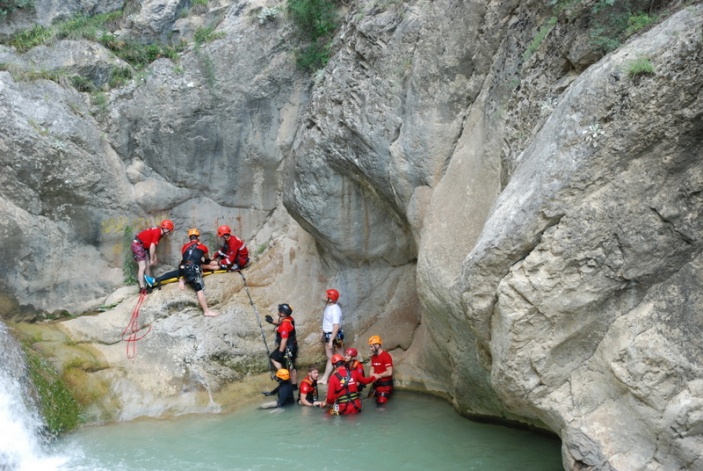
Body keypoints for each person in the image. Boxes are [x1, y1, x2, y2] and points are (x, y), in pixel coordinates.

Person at [148, 228, 219, 317]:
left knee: (176, 272)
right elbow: (207, 259)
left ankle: (157, 280)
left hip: (183, 267)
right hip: (192, 270)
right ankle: (206, 311)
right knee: (199, 289)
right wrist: (208, 262)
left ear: (189, 237)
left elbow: (187, 258)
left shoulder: (184, 247)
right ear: (198, 237)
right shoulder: (203, 247)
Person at [131, 219, 174, 292]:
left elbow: (153, 246)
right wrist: (151, 259)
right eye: (169, 231)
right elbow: (152, 246)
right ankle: (141, 288)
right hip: (138, 245)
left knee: (147, 266)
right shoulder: (158, 232)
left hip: (143, 246)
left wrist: (155, 257)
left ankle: (148, 285)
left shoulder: (159, 233)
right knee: (142, 267)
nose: (169, 233)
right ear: (166, 229)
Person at [266, 303, 298, 386]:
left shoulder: (284, 325)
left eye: (279, 311)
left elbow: (284, 340)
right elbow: (280, 321)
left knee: (291, 367)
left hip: (288, 348)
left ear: (282, 313)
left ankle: (291, 383)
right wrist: (272, 321)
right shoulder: (289, 318)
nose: (278, 312)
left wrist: (280, 353)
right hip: (291, 345)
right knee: (275, 358)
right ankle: (285, 377)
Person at [319, 288, 343, 384]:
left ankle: (344, 377)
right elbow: (327, 321)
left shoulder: (335, 309)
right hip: (328, 333)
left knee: (340, 356)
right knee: (330, 356)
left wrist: (331, 340)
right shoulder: (329, 306)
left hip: (334, 335)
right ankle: (325, 378)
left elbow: (336, 326)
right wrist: (322, 332)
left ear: (331, 298)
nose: (325, 297)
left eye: (327, 296)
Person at [368, 335, 393, 405]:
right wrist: (372, 376)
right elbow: (372, 370)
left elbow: (389, 372)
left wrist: (377, 375)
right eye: (370, 347)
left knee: (380, 405)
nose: (370, 349)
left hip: (385, 386)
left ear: (377, 345)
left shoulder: (386, 356)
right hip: (376, 385)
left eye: (371, 346)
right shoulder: (373, 357)